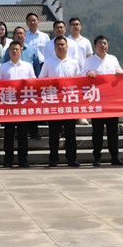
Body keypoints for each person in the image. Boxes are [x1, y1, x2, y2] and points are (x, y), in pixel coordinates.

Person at [83, 35, 123, 167]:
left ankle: (115, 157)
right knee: (97, 131)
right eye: (100, 43)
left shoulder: (113, 59)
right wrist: (87, 74)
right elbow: (80, 77)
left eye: (105, 43)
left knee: (113, 131)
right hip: (97, 101)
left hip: (111, 101)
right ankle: (97, 157)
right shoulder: (89, 61)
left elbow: (120, 73)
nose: (103, 46)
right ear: (95, 46)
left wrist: (119, 73)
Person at [38, 37, 81, 168]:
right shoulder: (48, 63)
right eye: (58, 45)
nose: (60, 47)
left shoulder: (73, 62)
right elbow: (41, 80)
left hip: (69, 104)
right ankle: (53, 159)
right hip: (54, 104)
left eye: (62, 44)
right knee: (54, 134)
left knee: (70, 134)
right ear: (54, 47)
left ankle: (72, 159)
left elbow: (79, 81)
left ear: (67, 46)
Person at [0, 41, 36, 168]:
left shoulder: (28, 66)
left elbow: (34, 83)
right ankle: (8, 160)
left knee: (23, 135)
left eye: (17, 49)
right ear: (9, 51)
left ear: (21, 51)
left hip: (23, 106)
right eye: (12, 49)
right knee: (8, 134)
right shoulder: (3, 67)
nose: (14, 51)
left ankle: (23, 159)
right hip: (8, 105)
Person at [24, 13, 50, 77]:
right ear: (27, 23)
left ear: (38, 22)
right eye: (30, 21)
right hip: (28, 65)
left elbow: (49, 52)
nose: (32, 22)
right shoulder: (24, 36)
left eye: (34, 20)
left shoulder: (45, 36)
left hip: (42, 65)